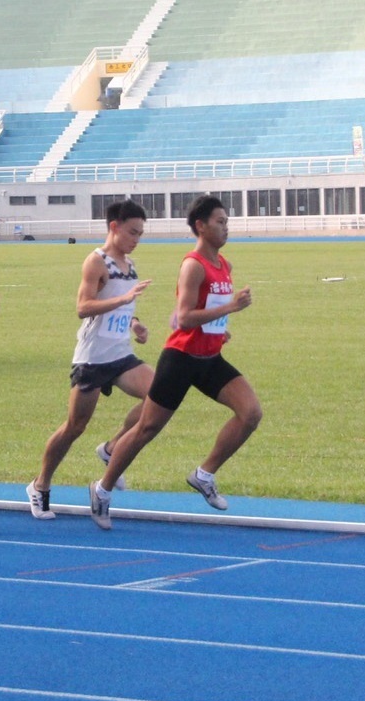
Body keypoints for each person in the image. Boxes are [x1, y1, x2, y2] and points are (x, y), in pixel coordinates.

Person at [89, 195, 260, 530]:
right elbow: (183, 318)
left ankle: (204, 474)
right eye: (220, 222)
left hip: (209, 358)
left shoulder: (224, 265)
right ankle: (103, 489)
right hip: (180, 359)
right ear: (201, 225)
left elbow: (200, 312)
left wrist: (220, 330)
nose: (227, 227)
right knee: (146, 429)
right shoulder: (193, 264)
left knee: (251, 412)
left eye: (227, 221)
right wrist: (230, 310)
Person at [26, 200, 154, 520]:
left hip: (121, 354)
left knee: (161, 396)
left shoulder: (130, 264)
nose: (136, 238)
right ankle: (40, 485)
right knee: (74, 426)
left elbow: (123, 308)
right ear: (114, 227)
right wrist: (123, 299)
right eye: (132, 232)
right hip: (93, 358)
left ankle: (112, 449)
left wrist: (134, 323)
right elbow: (83, 307)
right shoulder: (96, 262)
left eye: (140, 233)